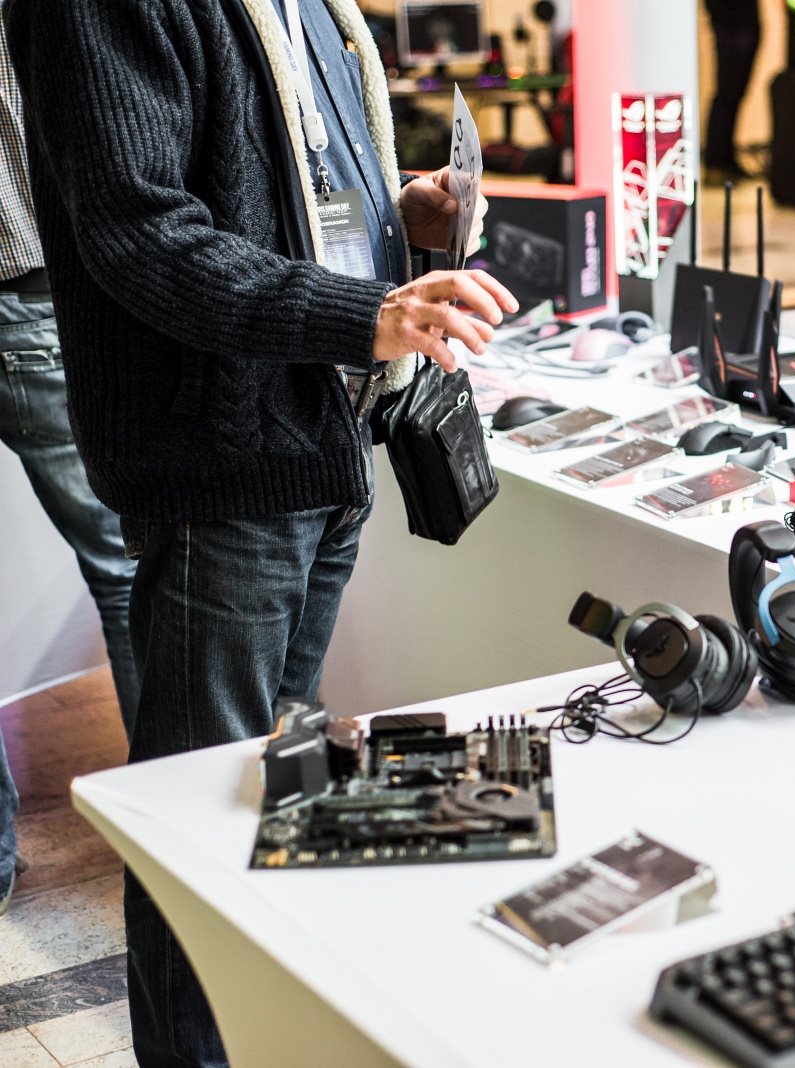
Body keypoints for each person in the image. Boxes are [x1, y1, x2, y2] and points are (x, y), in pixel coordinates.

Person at [5, 1, 516, 1063]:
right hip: (221, 457)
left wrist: (397, 209)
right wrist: (363, 315)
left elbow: (281, 173)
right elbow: (139, 230)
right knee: (197, 822)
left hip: (320, 429)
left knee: (271, 799)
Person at [0, 21, 140, 918]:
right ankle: (178, 821)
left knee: (126, 564)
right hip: (30, 285)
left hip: (33, 288)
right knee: (126, 566)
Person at [703, 0, 761, 179]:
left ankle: (725, 158)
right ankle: (716, 162)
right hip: (733, 22)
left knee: (734, 94)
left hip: (741, 20)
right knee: (727, 93)